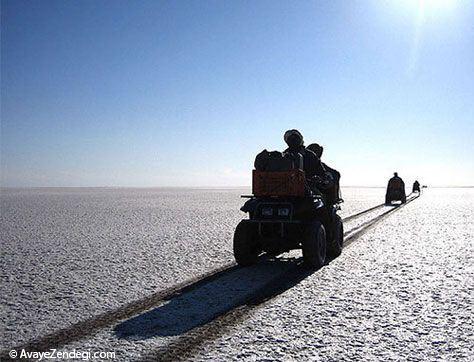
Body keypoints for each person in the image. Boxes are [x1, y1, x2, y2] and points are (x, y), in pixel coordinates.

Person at [283, 129, 333, 198]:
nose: (293, 140)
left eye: (296, 138)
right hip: (286, 189)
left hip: (309, 187)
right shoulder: (283, 156)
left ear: (300, 139)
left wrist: (318, 178)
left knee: (318, 202)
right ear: (287, 141)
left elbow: (322, 172)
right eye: (290, 138)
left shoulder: (310, 155)